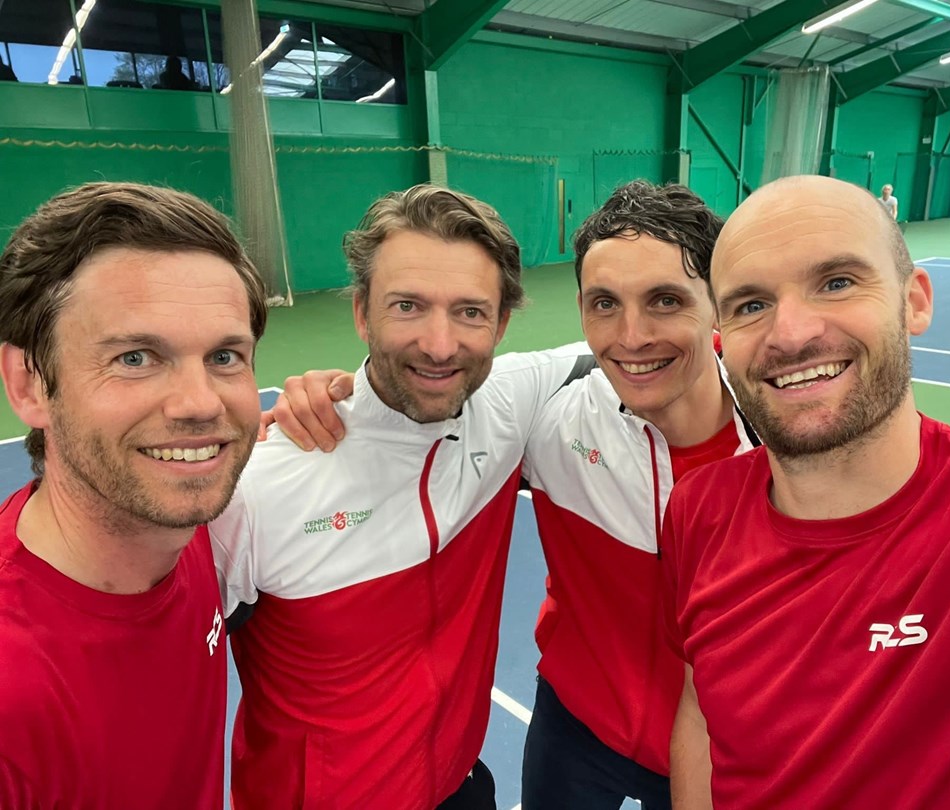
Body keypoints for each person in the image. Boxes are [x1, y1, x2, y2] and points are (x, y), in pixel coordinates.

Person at [269, 181, 758, 809]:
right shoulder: (549, 408)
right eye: (604, 303)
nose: (631, 336)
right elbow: (421, 390)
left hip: (724, 745)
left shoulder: (785, 440)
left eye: (665, 300)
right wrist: (327, 400)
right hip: (574, 730)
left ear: (715, 305)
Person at [664, 174, 950, 808]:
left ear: (914, 301)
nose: (791, 334)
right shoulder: (700, 507)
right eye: (750, 304)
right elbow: (700, 709)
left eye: (836, 282)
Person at [209, 184, 589, 810]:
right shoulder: (260, 485)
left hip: (460, 788)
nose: (440, 345)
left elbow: (640, 357)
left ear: (500, 323)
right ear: (362, 313)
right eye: (408, 306)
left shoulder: (509, 402)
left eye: (470, 312)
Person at [0, 181, 267, 807]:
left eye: (226, 356)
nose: (201, 405)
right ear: (29, 384)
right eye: (136, 358)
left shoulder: (187, 528)